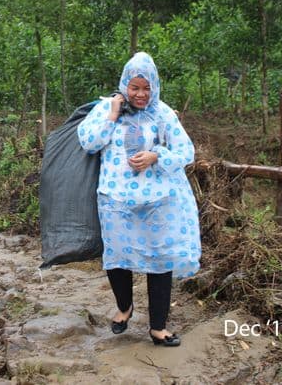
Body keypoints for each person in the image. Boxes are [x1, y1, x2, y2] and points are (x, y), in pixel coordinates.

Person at [77, 52, 200, 347]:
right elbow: (89, 143)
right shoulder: (107, 107)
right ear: (125, 85)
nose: (141, 94)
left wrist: (156, 156)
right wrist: (112, 115)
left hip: (159, 201)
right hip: (115, 199)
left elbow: (187, 151)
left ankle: (158, 327)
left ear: (154, 86)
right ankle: (125, 307)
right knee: (117, 258)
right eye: (135, 88)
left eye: (146, 88)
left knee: (160, 260)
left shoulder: (163, 113)